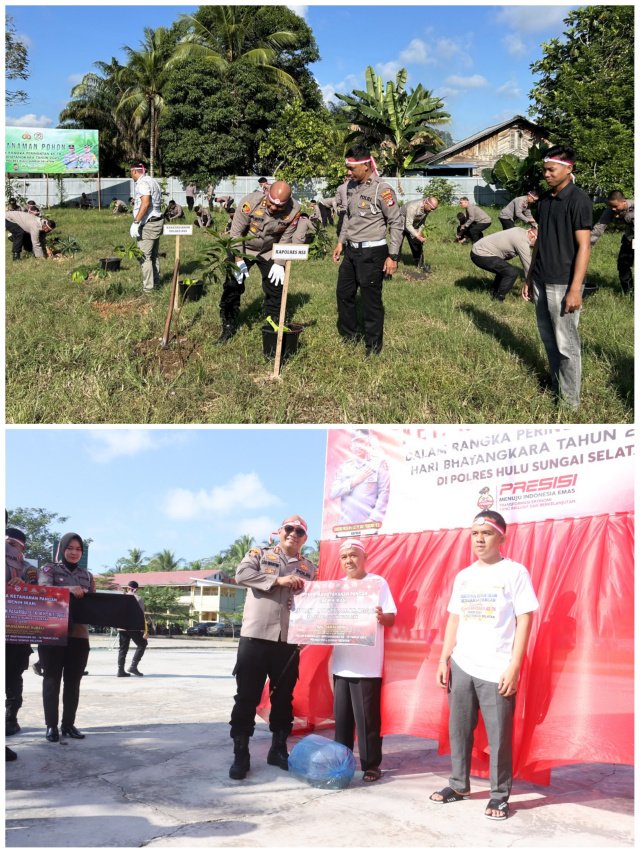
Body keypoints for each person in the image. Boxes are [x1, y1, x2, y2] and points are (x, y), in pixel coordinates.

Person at [430, 511, 539, 821]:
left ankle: (499, 795)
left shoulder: (514, 572)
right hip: (462, 663)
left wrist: (515, 665)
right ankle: (458, 785)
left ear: (501, 537)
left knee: (499, 736)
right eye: (475, 533)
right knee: (459, 730)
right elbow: (454, 618)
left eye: (486, 533)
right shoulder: (463, 576)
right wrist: (444, 658)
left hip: (497, 667)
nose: (479, 538)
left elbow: (525, 617)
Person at [228, 515, 317, 780]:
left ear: (304, 538)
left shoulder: (308, 567)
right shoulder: (258, 554)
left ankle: (278, 749)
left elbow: (313, 601)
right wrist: (279, 581)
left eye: (299, 531)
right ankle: (241, 753)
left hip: (288, 641)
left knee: (283, 698)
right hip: (255, 637)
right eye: (289, 529)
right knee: (246, 696)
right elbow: (241, 574)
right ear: (279, 532)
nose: (293, 533)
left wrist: (309, 629)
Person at [522, 145, 592, 409]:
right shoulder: (546, 201)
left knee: (566, 344)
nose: (547, 174)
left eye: (551, 169)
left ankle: (570, 402)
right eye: (545, 170)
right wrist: (529, 277)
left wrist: (575, 289)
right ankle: (557, 385)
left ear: (568, 168)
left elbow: (584, 245)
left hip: (563, 283)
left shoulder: (578, 200)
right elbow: (540, 241)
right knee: (549, 339)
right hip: (541, 278)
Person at [332, 539, 396, 782]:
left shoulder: (377, 583)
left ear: (364, 557)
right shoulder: (335, 588)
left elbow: (391, 618)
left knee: (368, 721)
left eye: (354, 555)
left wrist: (382, 616)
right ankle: (342, 764)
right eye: (344, 556)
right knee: (342, 722)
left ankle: (371, 765)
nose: (349, 560)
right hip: (341, 664)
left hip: (368, 667)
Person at [332, 146, 404, 355]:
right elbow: (348, 217)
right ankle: (350, 335)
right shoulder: (352, 187)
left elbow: (396, 223)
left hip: (372, 253)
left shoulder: (382, 189)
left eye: (351, 168)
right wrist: (340, 242)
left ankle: (373, 347)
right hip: (351, 251)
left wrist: (393, 256)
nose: (348, 172)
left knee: (370, 301)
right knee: (344, 294)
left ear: (365, 165)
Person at [218, 180, 307, 343]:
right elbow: (236, 234)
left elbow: (286, 237)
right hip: (244, 247)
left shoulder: (294, 210)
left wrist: (279, 263)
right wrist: (238, 260)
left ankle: (273, 324)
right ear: (267, 194)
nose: (273, 209)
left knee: (276, 287)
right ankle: (228, 324)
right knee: (232, 284)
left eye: (279, 207)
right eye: (271, 203)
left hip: (269, 250)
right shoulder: (249, 203)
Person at [38, 532, 95, 742]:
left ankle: (68, 724)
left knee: (73, 682)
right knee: (52, 679)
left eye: (78, 549)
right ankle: (51, 725)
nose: (74, 552)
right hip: (53, 632)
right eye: (70, 548)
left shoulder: (87, 575)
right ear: (62, 549)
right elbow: (43, 591)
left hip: (79, 634)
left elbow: (94, 602)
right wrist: (68, 589)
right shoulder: (49, 569)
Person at [6, 527, 38, 742]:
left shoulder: (29, 570)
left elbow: (42, 593)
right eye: (7, 542)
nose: (9, 548)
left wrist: (24, 586)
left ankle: (11, 718)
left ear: (22, 548)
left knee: (13, 677)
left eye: (14, 544)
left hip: (18, 633)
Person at [330, 429, 391, 525]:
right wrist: (354, 481)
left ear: (368, 443)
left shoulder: (378, 463)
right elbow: (333, 493)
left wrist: (374, 519)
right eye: (356, 442)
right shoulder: (344, 467)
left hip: (368, 525)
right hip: (344, 526)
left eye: (362, 442)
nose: (359, 446)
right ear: (351, 446)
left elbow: (384, 492)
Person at [470, 225, 537, 301]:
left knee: (503, 268)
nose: (536, 245)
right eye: (538, 242)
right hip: (480, 254)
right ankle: (498, 298)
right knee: (511, 272)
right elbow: (528, 268)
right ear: (532, 236)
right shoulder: (522, 242)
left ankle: (494, 291)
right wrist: (529, 286)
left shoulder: (520, 231)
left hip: (478, 249)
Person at [590, 190, 634, 294]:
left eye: (615, 206)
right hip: (628, 239)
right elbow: (598, 228)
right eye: (611, 206)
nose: (613, 209)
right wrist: (586, 246)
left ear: (623, 201)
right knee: (623, 265)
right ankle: (629, 292)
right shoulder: (611, 209)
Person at [129, 161, 164, 293]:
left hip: (148, 224)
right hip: (157, 221)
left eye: (130, 172)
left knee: (144, 256)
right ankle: (156, 282)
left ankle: (148, 288)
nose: (130, 175)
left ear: (134, 171)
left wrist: (136, 222)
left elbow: (145, 202)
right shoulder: (152, 181)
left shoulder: (142, 183)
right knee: (153, 255)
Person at [117, 581, 148, 677]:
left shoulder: (121, 598)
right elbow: (140, 614)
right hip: (133, 627)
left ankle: (120, 670)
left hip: (121, 627)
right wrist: (143, 629)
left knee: (123, 649)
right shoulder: (139, 598)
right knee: (142, 644)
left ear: (127, 588)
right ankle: (133, 666)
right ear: (137, 589)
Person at [402, 196, 439, 271]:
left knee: (417, 243)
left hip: (413, 224)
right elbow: (408, 224)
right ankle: (393, 263)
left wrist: (419, 233)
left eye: (434, 209)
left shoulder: (427, 209)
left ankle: (419, 263)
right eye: (431, 208)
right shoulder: (412, 207)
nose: (432, 211)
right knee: (397, 244)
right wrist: (417, 235)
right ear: (426, 203)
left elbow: (422, 222)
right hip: (401, 223)